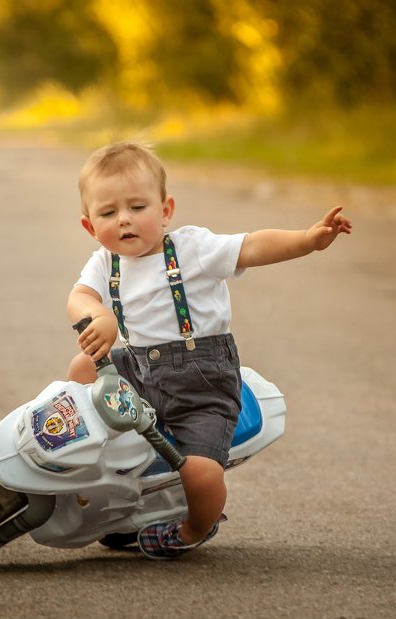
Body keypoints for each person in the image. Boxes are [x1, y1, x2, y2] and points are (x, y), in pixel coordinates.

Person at [66, 141, 352, 559]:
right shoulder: (105, 262)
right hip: (141, 372)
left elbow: (251, 246)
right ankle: (90, 454)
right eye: (108, 213)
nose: (124, 219)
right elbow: (79, 297)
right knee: (83, 367)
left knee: (199, 472)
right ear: (90, 226)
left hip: (202, 384)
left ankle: (195, 526)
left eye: (138, 207)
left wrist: (307, 240)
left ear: (165, 210)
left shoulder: (191, 248)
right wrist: (98, 316)